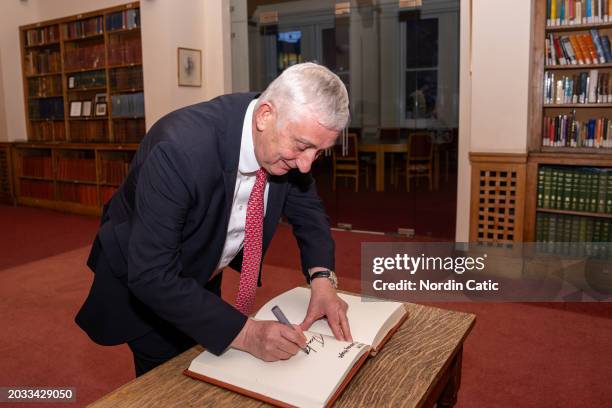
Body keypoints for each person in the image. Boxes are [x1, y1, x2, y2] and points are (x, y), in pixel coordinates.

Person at [75, 62, 353, 376]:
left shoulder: (285, 134)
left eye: (319, 152)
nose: (306, 165)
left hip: (201, 266)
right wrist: (247, 333)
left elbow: (309, 214)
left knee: (209, 366)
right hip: (144, 285)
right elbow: (151, 274)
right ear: (265, 116)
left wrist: (323, 280)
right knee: (169, 382)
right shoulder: (179, 149)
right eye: (302, 147)